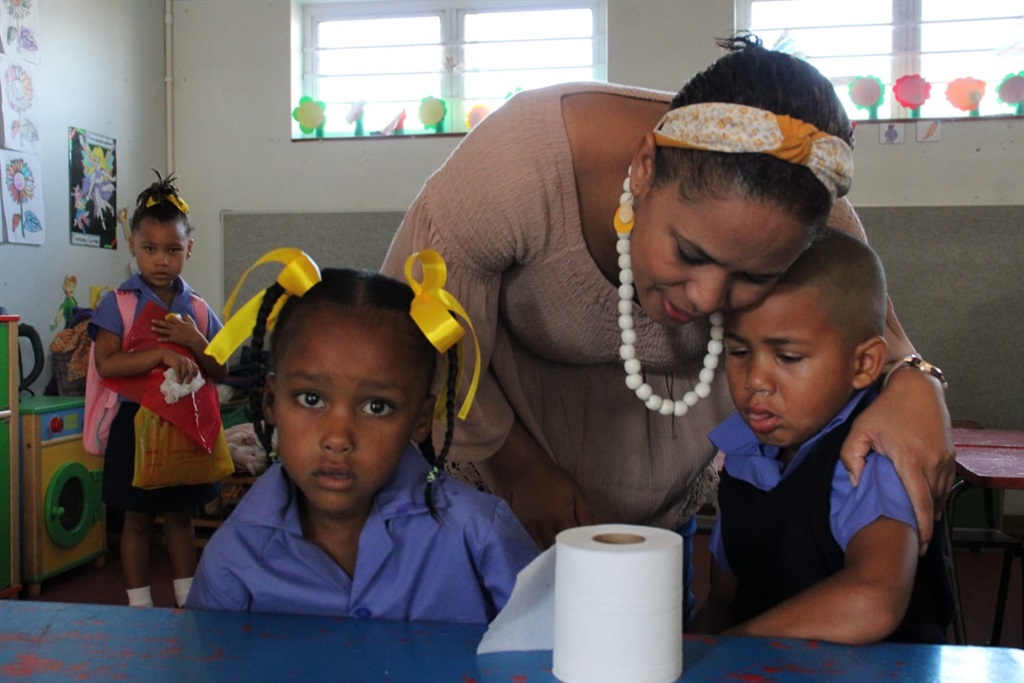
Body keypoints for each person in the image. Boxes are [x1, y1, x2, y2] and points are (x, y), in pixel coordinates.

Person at [380, 34, 953, 626]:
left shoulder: (804, 210)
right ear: (646, 165)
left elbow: (882, 345)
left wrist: (920, 386)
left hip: (661, 516)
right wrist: (518, 467)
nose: (706, 298)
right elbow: (417, 339)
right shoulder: (515, 170)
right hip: (500, 497)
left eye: (752, 277)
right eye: (689, 251)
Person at [186, 256, 539, 623]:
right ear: (271, 402)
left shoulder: (478, 537)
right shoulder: (234, 554)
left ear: (420, 419)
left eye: (377, 406)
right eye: (311, 399)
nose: (338, 439)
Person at [693, 229, 953, 644]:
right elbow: (724, 597)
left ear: (865, 363)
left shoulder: (873, 453)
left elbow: (875, 598)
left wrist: (732, 648)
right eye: (739, 352)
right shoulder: (746, 449)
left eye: (789, 357)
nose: (756, 380)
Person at [90, 172, 228, 608]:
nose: (161, 260)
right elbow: (107, 363)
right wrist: (159, 356)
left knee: (180, 516)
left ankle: (187, 602)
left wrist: (194, 341)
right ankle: (139, 606)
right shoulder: (118, 303)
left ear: (190, 248)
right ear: (132, 246)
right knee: (136, 517)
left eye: (172, 249)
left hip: (186, 425)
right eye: (149, 249)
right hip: (136, 424)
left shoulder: (200, 309)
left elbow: (221, 367)